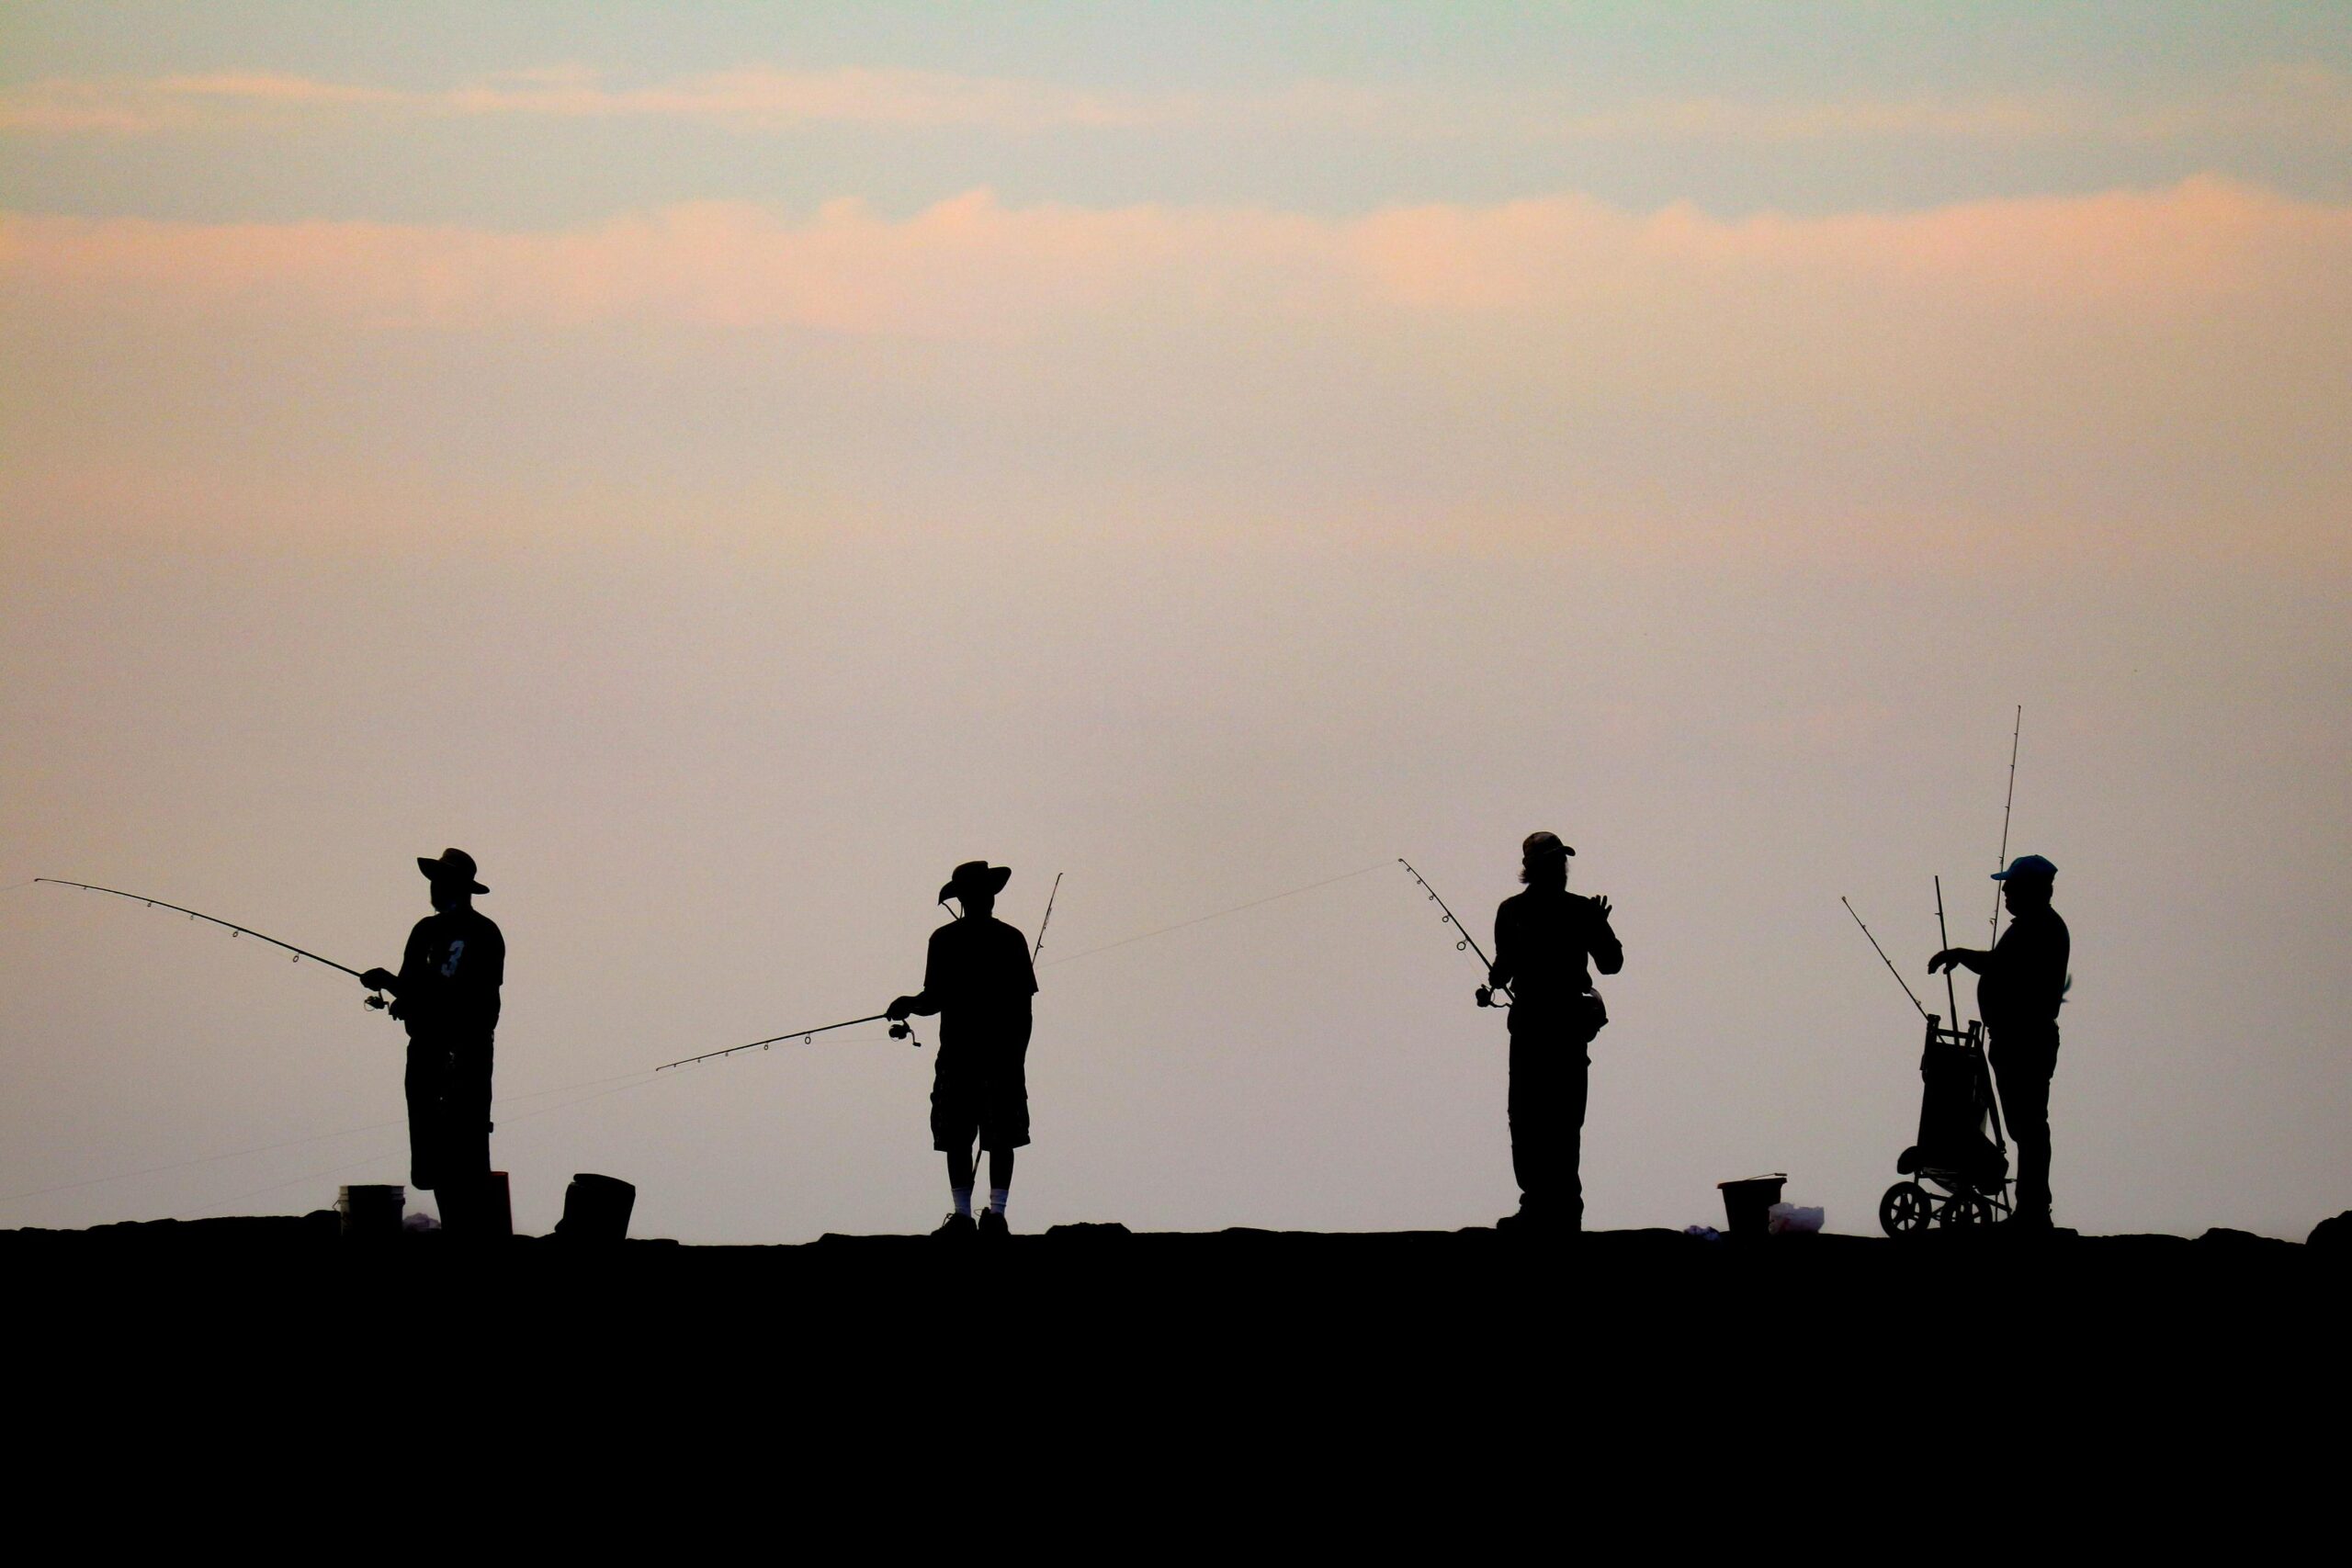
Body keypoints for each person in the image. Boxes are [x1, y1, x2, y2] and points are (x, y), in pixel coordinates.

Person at [888, 861, 1038, 1241]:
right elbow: (1024, 1009)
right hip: (997, 1055)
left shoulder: (944, 939)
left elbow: (932, 999)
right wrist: (1016, 1053)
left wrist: (908, 1003)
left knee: (960, 1134)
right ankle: (995, 1215)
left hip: (959, 1054)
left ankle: (964, 1216)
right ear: (987, 897)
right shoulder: (1011, 938)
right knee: (997, 1135)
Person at [361, 849, 505, 1235]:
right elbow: (413, 987)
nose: (434, 888)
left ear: (458, 886)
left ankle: (466, 1230)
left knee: (461, 1141)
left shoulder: (484, 933)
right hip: (427, 1052)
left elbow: (477, 1001)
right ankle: (459, 1227)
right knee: (431, 1141)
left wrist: (396, 988)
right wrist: (402, 997)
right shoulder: (424, 930)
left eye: (441, 881)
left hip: (464, 1055)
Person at [1486, 831, 1623, 1233]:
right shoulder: (1516, 911)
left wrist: (1601, 928)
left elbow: (1610, 963)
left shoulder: (1569, 911)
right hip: (1537, 1028)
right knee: (1531, 1121)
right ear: (1532, 868)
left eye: (1561, 861)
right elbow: (1503, 970)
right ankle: (1542, 1208)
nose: (1559, 868)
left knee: (1555, 1121)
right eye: (1551, 861)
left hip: (1557, 1028)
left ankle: (1559, 1211)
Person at [1930, 853, 2069, 1231]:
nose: (2005, 891)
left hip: (2025, 1041)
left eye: (2012, 885)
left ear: (2033, 889)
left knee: (2029, 1127)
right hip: (2016, 1039)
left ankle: (2034, 1212)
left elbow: (1999, 965)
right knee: (2026, 1127)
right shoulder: (2034, 926)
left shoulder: (2039, 927)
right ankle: (2032, 1209)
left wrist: (1960, 954)